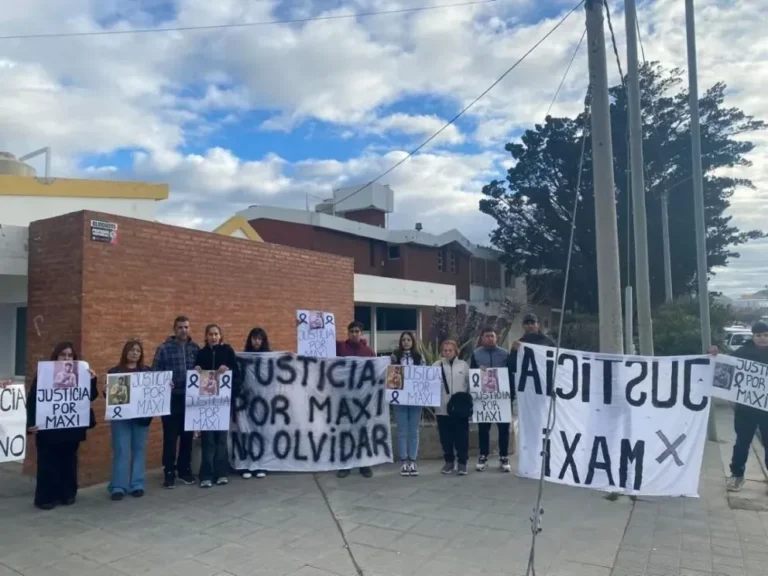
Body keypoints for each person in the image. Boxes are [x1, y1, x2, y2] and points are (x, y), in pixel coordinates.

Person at [25, 342, 98, 510]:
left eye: (70, 355)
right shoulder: (44, 374)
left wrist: (92, 380)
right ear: (56, 356)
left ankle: (67, 494)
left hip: (70, 427)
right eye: (63, 354)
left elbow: (90, 396)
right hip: (48, 428)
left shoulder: (80, 374)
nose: (66, 358)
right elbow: (33, 399)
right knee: (48, 463)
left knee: (69, 461)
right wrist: (30, 423)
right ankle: (46, 498)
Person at [714, 322, 768, 492]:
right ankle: (737, 475)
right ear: (753, 336)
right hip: (745, 409)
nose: (762, 338)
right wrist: (715, 355)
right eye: (759, 335)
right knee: (742, 443)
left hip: (766, 410)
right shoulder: (741, 353)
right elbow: (726, 367)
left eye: (766, 335)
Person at [153, 316, 200, 489]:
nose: (183, 330)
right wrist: (164, 382)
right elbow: (155, 372)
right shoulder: (164, 348)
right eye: (180, 327)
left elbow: (202, 371)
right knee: (170, 437)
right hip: (171, 398)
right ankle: (169, 471)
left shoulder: (195, 348)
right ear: (174, 329)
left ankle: (184, 469)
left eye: (186, 327)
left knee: (187, 437)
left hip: (190, 398)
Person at [106, 340, 153, 501]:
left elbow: (154, 391)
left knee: (139, 450)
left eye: (138, 351)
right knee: (121, 450)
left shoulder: (147, 372)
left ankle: (137, 484)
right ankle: (118, 486)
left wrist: (167, 386)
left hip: (141, 418)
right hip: (121, 418)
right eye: (132, 350)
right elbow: (110, 397)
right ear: (125, 352)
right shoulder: (115, 372)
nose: (135, 353)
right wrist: (106, 391)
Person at [194, 323, 238, 488]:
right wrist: (197, 369)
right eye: (210, 334)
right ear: (206, 337)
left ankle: (221, 473)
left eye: (216, 334)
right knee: (208, 439)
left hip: (223, 402)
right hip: (206, 402)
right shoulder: (201, 353)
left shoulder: (227, 351)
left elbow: (237, 372)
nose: (213, 337)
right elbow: (196, 376)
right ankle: (206, 474)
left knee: (221, 439)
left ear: (220, 336)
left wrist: (228, 369)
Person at [470, 327, 514, 472]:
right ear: (482, 338)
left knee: (504, 429)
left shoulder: (505, 353)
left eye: (492, 336)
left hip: (502, 397)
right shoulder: (476, 354)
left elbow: (510, 374)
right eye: (487, 336)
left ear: (496, 338)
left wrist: (511, 394)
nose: (490, 339)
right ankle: (483, 456)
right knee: (483, 429)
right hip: (483, 397)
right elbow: (473, 374)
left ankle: (504, 456)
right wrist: (474, 394)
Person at [336, 321, 375, 479]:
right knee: (346, 431)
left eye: (357, 331)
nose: (354, 333)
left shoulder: (369, 352)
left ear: (361, 333)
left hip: (362, 399)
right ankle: (346, 464)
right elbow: (319, 350)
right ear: (348, 332)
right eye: (351, 331)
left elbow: (375, 372)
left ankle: (364, 464)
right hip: (344, 397)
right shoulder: (340, 348)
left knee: (362, 431)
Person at [390, 331, 426, 476]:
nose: (406, 342)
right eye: (403, 340)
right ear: (401, 342)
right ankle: (403, 461)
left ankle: (413, 460)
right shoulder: (395, 356)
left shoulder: (419, 357)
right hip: (399, 398)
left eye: (408, 340)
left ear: (413, 342)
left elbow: (424, 376)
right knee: (402, 429)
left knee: (414, 430)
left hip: (415, 398)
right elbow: (390, 374)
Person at [434, 340, 471, 475]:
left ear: (456, 351)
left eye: (450, 350)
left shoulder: (463, 365)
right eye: (445, 350)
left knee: (462, 437)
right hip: (442, 408)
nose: (448, 352)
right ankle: (449, 462)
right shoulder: (435, 366)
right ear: (441, 352)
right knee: (446, 438)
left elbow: (470, 383)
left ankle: (462, 463)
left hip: (460, 409)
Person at [241, 327, 270, 479]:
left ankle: (260, 464)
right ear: (250, 339)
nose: (257, 341)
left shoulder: (269, 358)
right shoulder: (243, 357)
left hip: (263, 402)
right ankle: (246, 464)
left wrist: (287, 357)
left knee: (261, 433)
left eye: (260, 339)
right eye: (254, 338)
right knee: (246, 432)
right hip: (246, 401)